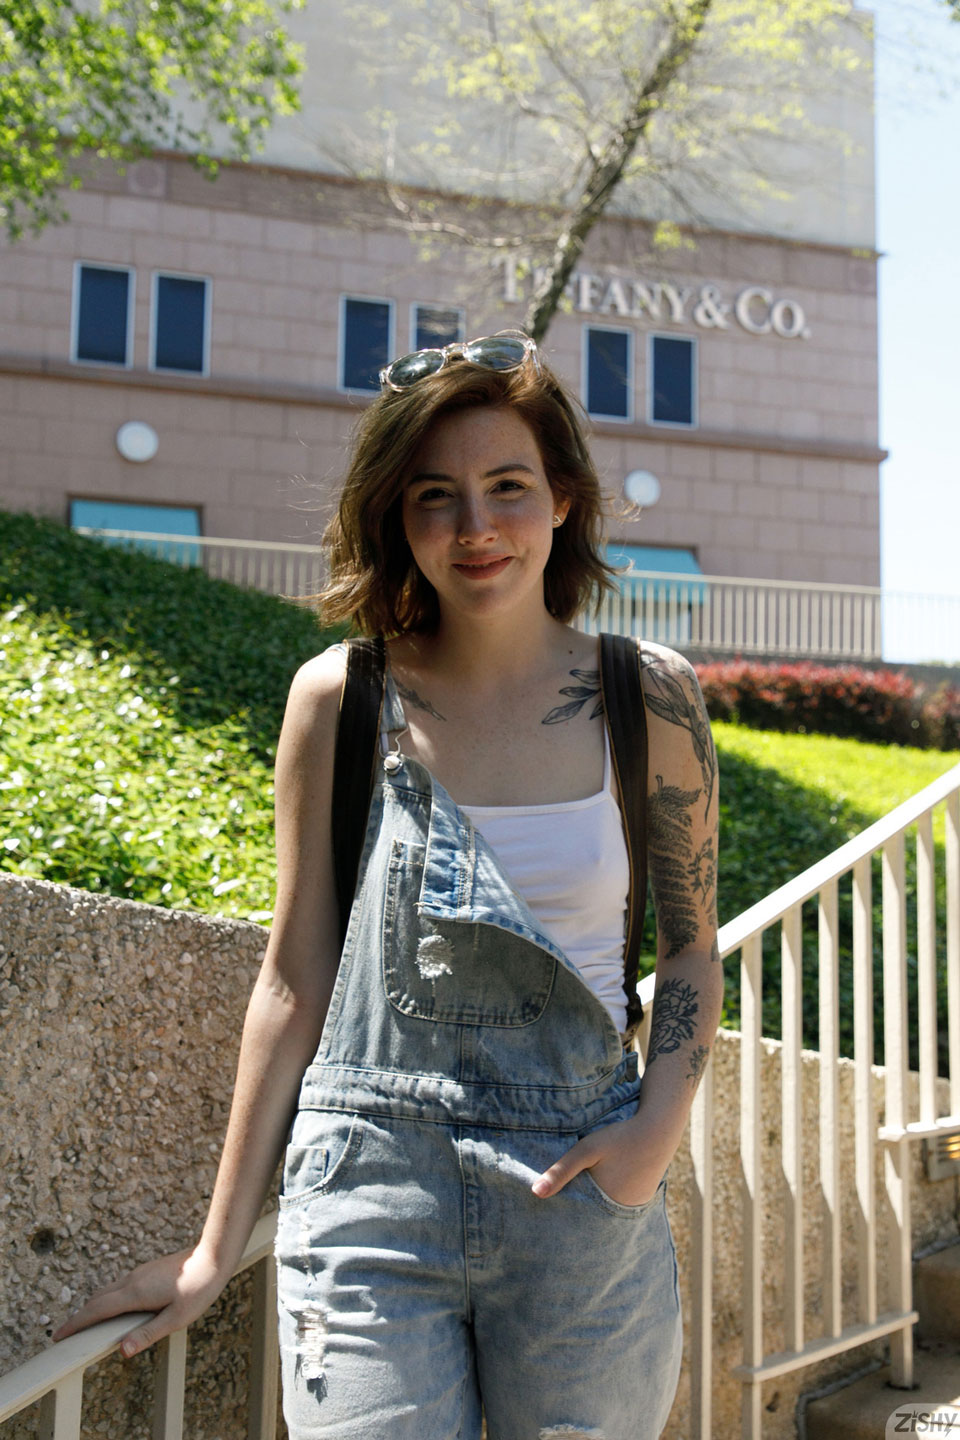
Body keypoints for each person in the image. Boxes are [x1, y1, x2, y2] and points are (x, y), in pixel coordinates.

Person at [54, 330, 722, 1439]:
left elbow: (690, 946)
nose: (475, 529)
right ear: (394, 519)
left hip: (582, 1194)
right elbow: (292, 976)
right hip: (369, 1194)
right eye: (434, 496)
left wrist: (656, 1131)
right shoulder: (340, 697)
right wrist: (217, 1249)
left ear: (561, 498)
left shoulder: (647, 697)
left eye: (507, 486)